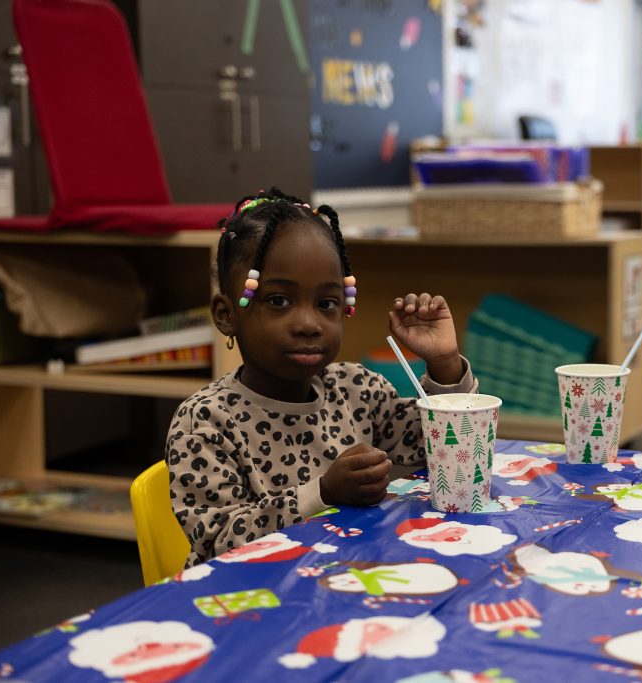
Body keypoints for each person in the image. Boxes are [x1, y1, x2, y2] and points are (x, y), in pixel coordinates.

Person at [166, 188, 478, 566]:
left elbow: (442, 449)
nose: (310, 324)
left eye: (326, 303)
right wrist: (323, 493)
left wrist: (443, 361)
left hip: (341, 580)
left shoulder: (357, 389)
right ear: (226, 314)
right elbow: (219, 541)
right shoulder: (204, 421)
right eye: (279, 300)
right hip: (250, 600)